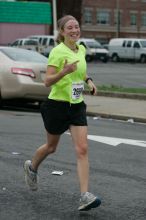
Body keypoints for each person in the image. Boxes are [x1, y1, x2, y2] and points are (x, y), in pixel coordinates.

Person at [24, 15, 101, 211]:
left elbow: (81, 71)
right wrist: (64, 71)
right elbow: (47, 81)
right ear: (62, 32)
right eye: (70, 28)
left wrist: (89, 81)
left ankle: (85, 195)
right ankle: (32, 168)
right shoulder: (57, 52)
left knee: (82, 149)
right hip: (57, 106)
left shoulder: (81, 48)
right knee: (51, 147)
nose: (75, 30)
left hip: (76, 106)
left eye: (76, 27)